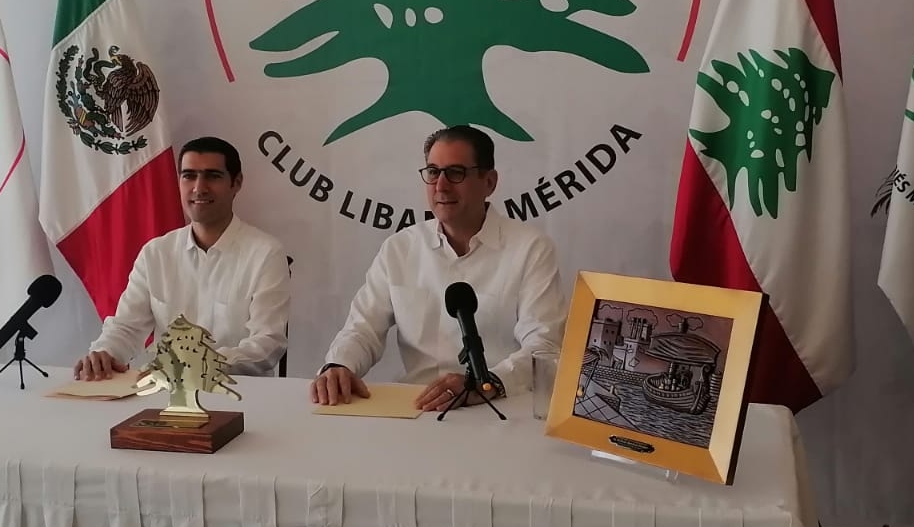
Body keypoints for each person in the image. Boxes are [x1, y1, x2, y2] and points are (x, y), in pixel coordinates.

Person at [311, 125, 566, 411]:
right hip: (417, 408)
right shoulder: (400, 248)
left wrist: (488, 383)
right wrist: (339, 364)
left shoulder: (531, 249)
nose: (441, 186)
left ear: (489, 182)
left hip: (498, 408)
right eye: (433, 172)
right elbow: (362, 328)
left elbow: (544, 347)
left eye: (456, 173)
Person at [75, 137, 289, 379]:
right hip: (166, 391)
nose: (199, 188)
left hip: (240, 391)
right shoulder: (156, 253)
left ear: (236, 183)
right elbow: (126, 327)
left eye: (213, 176)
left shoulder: (265, 253)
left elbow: (268, 343)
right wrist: (104, 354)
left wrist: (200, 364)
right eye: (189, 176)